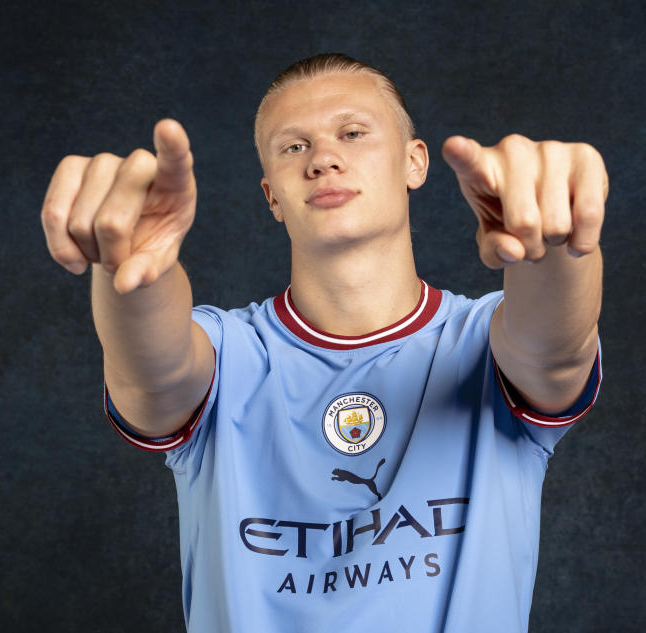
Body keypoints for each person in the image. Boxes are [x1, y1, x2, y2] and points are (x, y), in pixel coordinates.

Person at [41, 53, 607, 632]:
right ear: (271, 197)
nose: (323, 160)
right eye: (294, 147)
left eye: (353, 133)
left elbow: (555, 350)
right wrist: (129, 264)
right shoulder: (230, 353)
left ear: (414, 163)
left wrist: (554, 238)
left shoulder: (485, 343)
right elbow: (152, 375)